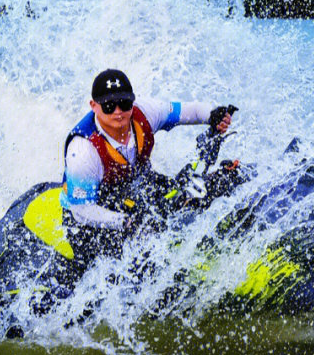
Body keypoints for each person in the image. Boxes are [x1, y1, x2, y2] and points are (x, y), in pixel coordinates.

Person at [59, 68, 234, 268]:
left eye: (124, 103)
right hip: (92, 215)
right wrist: (127, 223)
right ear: (94, 106)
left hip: (137, 186)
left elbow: (190, 110)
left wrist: (213, 115)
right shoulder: (82, 151)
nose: (118, 112)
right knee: (138, 251)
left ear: (132, 102)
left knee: (190, 191)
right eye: (108, 106)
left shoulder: (146, 111)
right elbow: (82, 210)